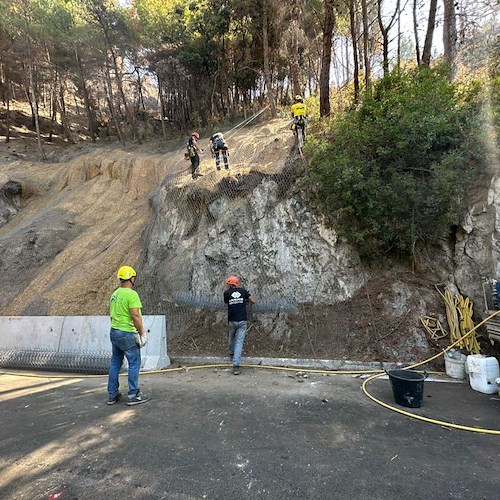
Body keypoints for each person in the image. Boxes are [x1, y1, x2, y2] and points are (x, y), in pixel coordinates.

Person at [107, 265, 150, 406]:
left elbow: (112, 316)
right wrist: (142, 333)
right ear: (131, 278)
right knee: (134, 363)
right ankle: (134, 395)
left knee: (115, 363)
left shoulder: (115, 294)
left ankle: (112, 395)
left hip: (114, 332)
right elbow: (135, 315)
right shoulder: (132, 295)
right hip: (127, 333)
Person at [223, 276, 256, 375]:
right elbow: (253, 301)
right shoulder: (243, 291)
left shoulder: (226, 293)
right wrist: (246, 300)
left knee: (231, 337)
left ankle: (231, 353)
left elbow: (226, 302)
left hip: (232, 320)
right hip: (242, 321)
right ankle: (236, 366)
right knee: (239, 342)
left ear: (229, 284)